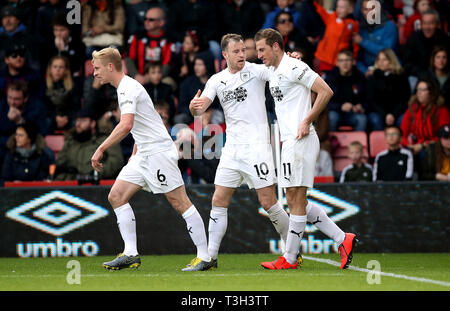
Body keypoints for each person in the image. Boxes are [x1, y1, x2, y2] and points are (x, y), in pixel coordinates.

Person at [89, 47, 213, 272]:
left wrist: (101, 148)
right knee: (116, 196)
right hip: (143, 153)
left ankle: (205, 257)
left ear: (110, 67)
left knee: (180, 203)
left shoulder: (127, 88)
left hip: (158, 153)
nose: (94, 73)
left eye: (97, 68)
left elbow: (126, 124)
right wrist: (136, 150)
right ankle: (130, 254)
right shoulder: (125, 88)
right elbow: (146, 122)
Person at [255, 28, 357, 270]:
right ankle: (343, 239)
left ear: (276, 46)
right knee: (294, 199)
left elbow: (326, 91)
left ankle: (289, 258)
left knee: (296, 199)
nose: (258, 54)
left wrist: (307, 120)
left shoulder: (294, 66)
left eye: (262, 49)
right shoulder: (274, 70)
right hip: (289, 141)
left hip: (301, 139)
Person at [54, 106, 123, 181]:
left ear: (92, 123)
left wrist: (96, 173)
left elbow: (116, 161)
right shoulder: (70, 142)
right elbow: (60, 164)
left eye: (82, 121)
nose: (78, 124)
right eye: (77, 121)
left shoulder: (105, 140)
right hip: (72, 185)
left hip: (97, 185)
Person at [400, 78, 450, 161]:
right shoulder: (412, 108)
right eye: (418, 89)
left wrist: (423, 145)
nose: (418, 93)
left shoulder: (441, 110)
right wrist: (410, 146)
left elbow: (444, 137)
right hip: (414, 145)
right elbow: (402, 133)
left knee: (424, 154)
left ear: (431, 93)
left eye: (422, 90)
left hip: (434, 146)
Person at [125, 6, 176, 84]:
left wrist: (153, 77)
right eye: (145, 19)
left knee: (169, 82)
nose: (146, 22)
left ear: (161, 22)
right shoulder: (137, 36)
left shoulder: (169, 39)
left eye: (151, 20)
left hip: (160, 78)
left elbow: (168, 64)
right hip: (138, 77)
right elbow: (129, 58)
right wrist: (136, 75)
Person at [366, 48, 411, 130]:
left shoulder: (401, 77)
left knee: (403, 119)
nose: (380, 62)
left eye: (384, 59)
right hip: (379, 113)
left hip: (397, 113)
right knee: (375, 119)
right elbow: (371, 101)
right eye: (379, 59)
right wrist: (385, 115)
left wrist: (393, 114)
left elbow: (404, 99)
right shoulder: (372, 77)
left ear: (391, 61)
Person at [325, 49, 368, 131]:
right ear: (337, 63)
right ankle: (331, 142)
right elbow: (325, 102)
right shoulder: (330, 78)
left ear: (353, 62)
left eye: (347, 60)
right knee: (332, 117)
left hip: (353, 113)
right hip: (335, 112)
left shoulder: (360, 77)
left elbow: (367, 98)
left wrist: (361, 106)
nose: (344, 63)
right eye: (341, 60)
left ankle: (357, 143)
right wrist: (341, 106)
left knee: (362, 119)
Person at [312, 0, 359, 74]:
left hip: (338, 61)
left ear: (350, 10)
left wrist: (354, 57)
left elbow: (355, 43)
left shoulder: (353, 24)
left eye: (342, 7)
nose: (339, 9)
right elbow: (320, 10)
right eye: (338, 6)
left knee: (332, 81)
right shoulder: (331, 17)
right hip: (322, 57)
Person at [353, 0, 399, 75]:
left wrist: (362, 42)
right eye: (366, 9)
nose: (369, 12)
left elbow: (387, 52)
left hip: (389, 72)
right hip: (368, 74)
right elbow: (357, 58)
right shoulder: (360, 29)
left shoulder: (390, 26)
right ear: (361, 10)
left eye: (372, 8)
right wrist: (365, 71)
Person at [403, 9, 450, 79]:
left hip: (441, 74)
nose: (427, 27)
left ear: (438, 24)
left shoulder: (444, 39)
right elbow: (407, 64)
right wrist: (423, 75)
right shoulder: (414, 38)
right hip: (419, 76)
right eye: (424, 23)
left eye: (430, 23)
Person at [43, 55, 81, 134]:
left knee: (77, 123)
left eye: (61, 67)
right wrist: (55, 118)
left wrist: (67, 118)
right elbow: (42, 107)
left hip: (69, 118)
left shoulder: (73, 85)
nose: (58, 70)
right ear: (50, 69)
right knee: (45, 122)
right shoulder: (43, 85)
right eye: (55, 67)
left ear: (66, 70)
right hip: (50, 117)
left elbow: (76, 106)